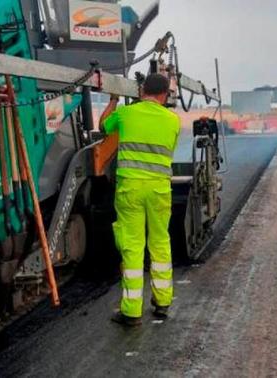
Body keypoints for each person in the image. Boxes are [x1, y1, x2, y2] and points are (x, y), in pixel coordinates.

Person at [99, 73, 180, 326]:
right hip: (159, 191)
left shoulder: (127, 114)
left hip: (130, 190)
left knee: (133, 247)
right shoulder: (173, 121)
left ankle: (132, 312)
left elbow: (103, 126)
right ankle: (163, 301)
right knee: (160, 243)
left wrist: (114, 99)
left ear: (142, 90)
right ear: (165, 95)